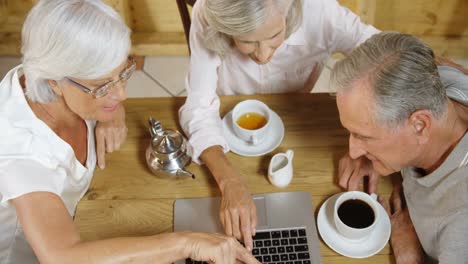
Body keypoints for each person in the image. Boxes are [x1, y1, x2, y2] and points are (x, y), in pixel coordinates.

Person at [0, 1, 260, 263]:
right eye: (101, 87)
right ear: (53, 82)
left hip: (80, 216)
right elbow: (62, 257)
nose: (122, 94)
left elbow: (104, 85)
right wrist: (187, 243)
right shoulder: (20, 151)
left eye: (123, 72)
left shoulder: (58, 71)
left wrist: (111, 112)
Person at [179, 0, 380, 249]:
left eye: (275, 35)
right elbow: (198, 107)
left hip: (300, 126)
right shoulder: (206, 12)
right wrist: (228, 181)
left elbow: (383, 55)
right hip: (228, 136)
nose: (262, 55)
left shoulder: (319, 9)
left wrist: (367, 147)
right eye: (248, 41)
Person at [332, 32, 468, 263]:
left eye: (364, 136)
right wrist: (372, 153)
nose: (352, 151)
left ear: (419, 125)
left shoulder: (460, 226)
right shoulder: (437, 78)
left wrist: (411, 258)